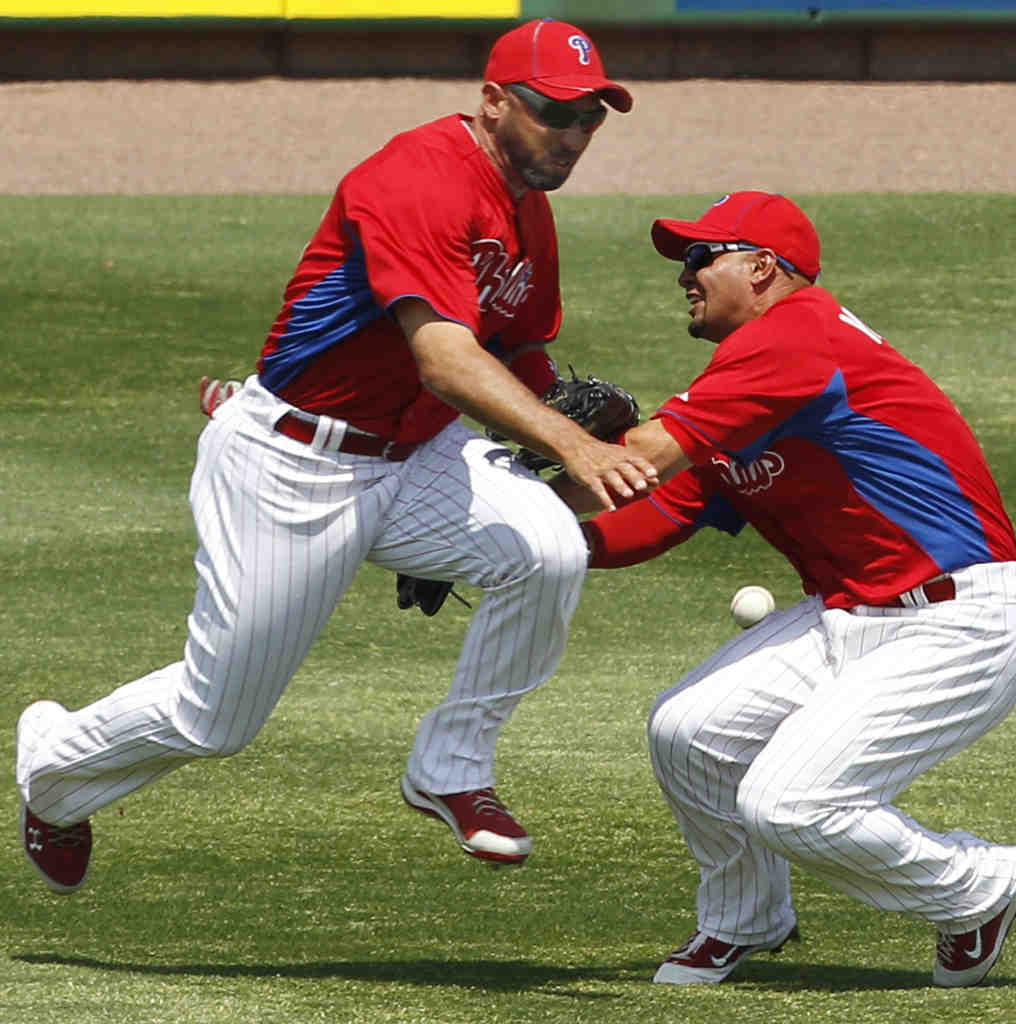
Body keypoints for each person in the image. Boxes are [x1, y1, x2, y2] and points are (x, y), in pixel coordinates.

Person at [15, 18, 658, 894]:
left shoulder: (528, 213)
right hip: (292, 465)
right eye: (555, 111)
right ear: (496, 100)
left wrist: (557, 406)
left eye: (592, 115)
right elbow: (443, 356)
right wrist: (569, 440)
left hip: (417, 454)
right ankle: (54, 768)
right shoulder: (419, 177)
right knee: (218, 718)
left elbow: (511, 349)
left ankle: (451, 768)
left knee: (544, 549)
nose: (575, 133)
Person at [552, 191, 1016, 987]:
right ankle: (745, 920)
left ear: (762, 268)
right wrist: (529, 543)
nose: (685, 276)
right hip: (848, 614)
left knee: (791, 803)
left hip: (961, 614)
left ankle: (981, 886)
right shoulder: (743, 376)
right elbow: (658, 517)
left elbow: (650, 456)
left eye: (702, 258)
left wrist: (557, 458)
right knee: (689, 731)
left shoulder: (796, 336)